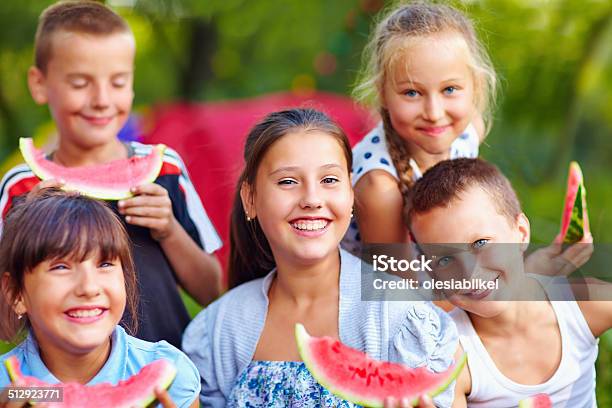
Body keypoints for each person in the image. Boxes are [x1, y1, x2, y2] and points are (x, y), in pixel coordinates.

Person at [182, 108, 458, 407]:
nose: (312, 199)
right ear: (250, 199)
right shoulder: (218, 330)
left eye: (329, 180)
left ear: (350, 194)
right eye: (287, 181)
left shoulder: (404, 318)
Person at [0, 0, 222, 348]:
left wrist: (169, 231)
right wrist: (27, 230)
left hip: (169, 374)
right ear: (39, 83)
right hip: (66, 388)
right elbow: (5, 324)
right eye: (80, 83)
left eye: (118, 82)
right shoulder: (21, 188)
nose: (102, 99)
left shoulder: (165, 170)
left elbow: (213, 291)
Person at [406, 158, 606, 407]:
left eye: (480, 243)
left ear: (520, 233)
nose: (468, 273)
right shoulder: (451, 354)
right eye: (445, 259)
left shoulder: (580, 306)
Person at [0, 189, 200, 407]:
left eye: (104, 264)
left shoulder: (174, 375)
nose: (88, 287)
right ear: (15, 293)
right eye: (60, 267)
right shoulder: (6, 388)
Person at [343, 2, 497, 253]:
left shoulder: (468, 132)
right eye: (412, 92)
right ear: (382, 93)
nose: (434, 114)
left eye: (449, 89)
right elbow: (398, 285)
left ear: (475, 86)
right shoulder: (379, 188)